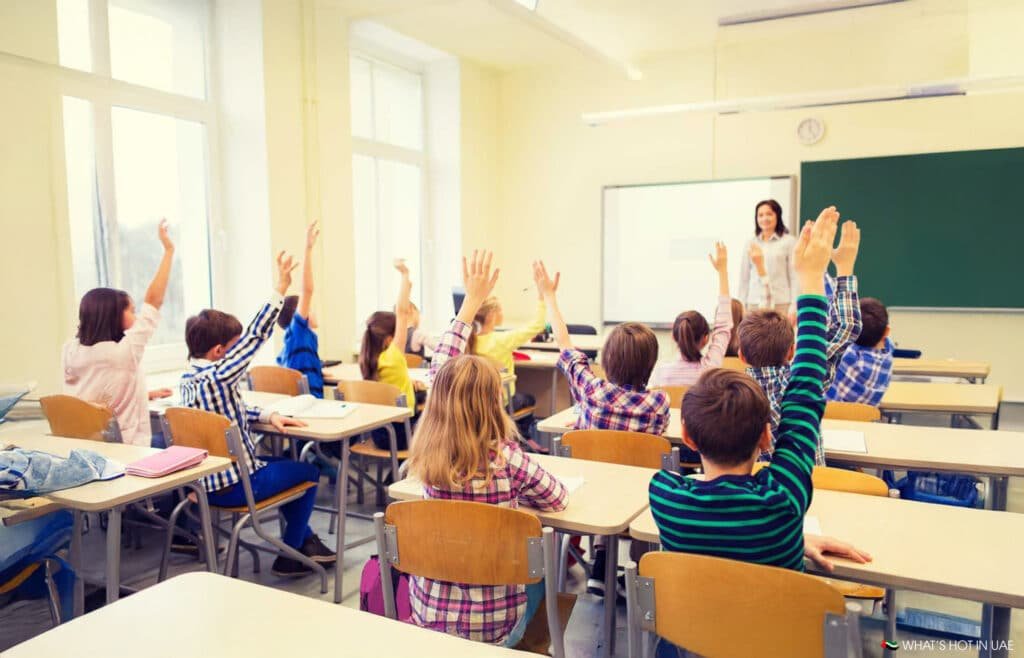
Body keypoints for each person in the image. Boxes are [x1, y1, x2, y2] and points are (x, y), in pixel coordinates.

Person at [648, 213, 871, 656]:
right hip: (773, 644)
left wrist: (793, 539)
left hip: (696, 641)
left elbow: (724, 547)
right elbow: (805, 387)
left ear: (687, 437)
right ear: (768, 439)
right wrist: (812, 280)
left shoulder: (665, 496)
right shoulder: (784, 499)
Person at [408, 249, 567, 646]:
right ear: (496, 402)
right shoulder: (507, 460)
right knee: (542, 570)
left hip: (427, 617)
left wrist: (470, 305)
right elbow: (557, 499)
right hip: (495, 628)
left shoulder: (429, 457)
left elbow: (441, 368)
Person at [181, 251, 335, 577]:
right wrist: (280, 287)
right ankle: (291, 554)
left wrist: (266, 416)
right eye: (234, 348)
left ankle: (301, 540)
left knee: (286, 467)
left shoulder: (189, 381)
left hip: (203, 487)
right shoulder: (219, 375)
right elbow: (255, 336)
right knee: (308, 473)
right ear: (220, 352)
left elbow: (224, 413)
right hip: (237, 484)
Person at [62, 220, 176, 446]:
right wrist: (169, 251)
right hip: (128, 451)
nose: (136, 316)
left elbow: (94, 400)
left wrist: (144, 394)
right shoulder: (123, 352)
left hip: (89, 449)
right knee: (176, 438)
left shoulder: (70, 350)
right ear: (113, 315)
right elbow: (154, 300)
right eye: (131, 311)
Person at [650, 242, 733, 387]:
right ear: (706, 339)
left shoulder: (660, 373)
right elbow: (723, 326)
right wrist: (722, 271)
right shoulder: (709, 370)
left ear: (673, 336)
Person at [276, 222, 324, 397]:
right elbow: (307, 290)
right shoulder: (299, 334)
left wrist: (319, 369)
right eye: (309, 308)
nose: (313, 310)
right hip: (313, 407)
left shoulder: (290, 345)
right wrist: (308, 249)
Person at [828, 297, 894, 406]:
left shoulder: (843, 356)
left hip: (827, 419)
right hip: (862, 422)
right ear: (886, 332)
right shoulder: (886, 358)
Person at [737, 199, 797, 314]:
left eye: (769, 214)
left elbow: (794, 276)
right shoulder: (750, 243)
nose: (764, 218)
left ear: (777, 216)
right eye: (760, 215)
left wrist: (794, 305)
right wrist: (741, 304)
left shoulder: (789, 242)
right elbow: (744, 278)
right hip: (754, 303)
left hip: (781, 303)